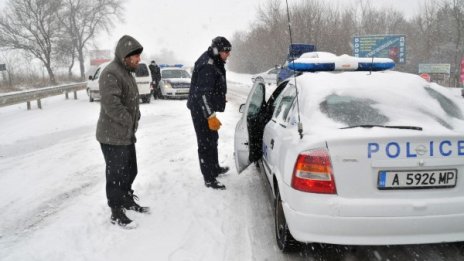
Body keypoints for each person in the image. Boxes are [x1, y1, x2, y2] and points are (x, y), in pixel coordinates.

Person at [96, 35, 150, 228]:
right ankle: (116, 210)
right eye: (136, 56)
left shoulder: (126, 71)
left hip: (125, 134)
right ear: (125, 55)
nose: (139, 59)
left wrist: (136, 117)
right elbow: (112, 105)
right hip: (112, 136)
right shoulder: (111, 73)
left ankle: (126, 199)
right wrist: (130, 120)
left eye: (139, 56)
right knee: (115, 175)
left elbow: (131, 99)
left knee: (130, 170)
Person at [187, 36, 232, 190]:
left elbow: (212, 88)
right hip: (200, 110)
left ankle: (214, 167)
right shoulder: (207, 65)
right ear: (216, 51)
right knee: (205, 143)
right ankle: (209, 178)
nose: (228, 54)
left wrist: (218, 99)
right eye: (226, 51)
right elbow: (202, 95)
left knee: (213, 137)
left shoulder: (215, 61)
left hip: (206, 108)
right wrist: (210, 116)